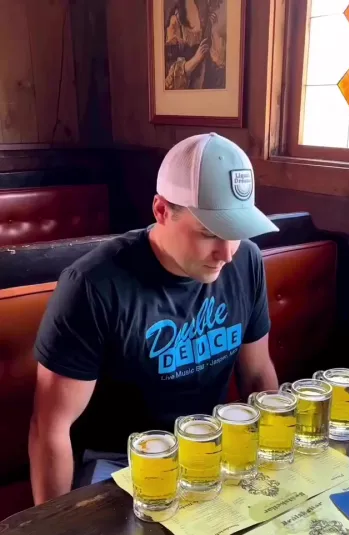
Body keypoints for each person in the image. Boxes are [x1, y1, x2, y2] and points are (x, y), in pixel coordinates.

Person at [29, 133, 279, 504]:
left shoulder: (247, 261)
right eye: (209, 233)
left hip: (206, 449)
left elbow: (257, 374)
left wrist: (275, 463)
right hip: (119, 465)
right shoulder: (93, 285)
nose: (226, 254)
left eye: (237, 233)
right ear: (161, 211)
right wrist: (54, 530)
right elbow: (50, 428)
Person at [165, 0, 225, 90]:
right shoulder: (175, 19)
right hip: (186, 84)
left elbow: (217, 59)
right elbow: (169, 79)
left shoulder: (204, 9)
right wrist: (196, 59)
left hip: (204, 76)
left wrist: (213, 29)